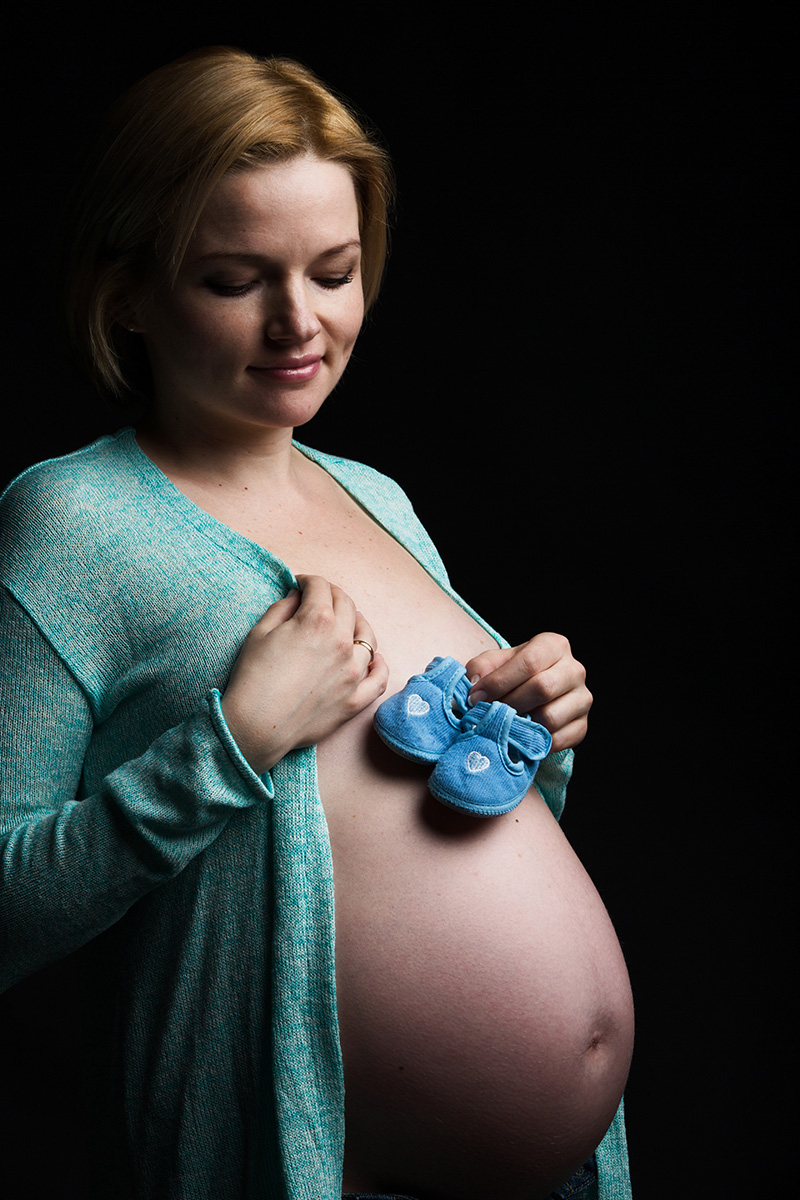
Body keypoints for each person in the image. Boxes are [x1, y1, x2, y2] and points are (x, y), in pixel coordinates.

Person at [0, 47, 633, 1200]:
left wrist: (529, 733)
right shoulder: (71, 524)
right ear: (127, 292)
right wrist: (232, 745)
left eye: (333, 272)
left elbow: (415, 831)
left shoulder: (377, 498)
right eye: (233, 280)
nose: (299, 322)